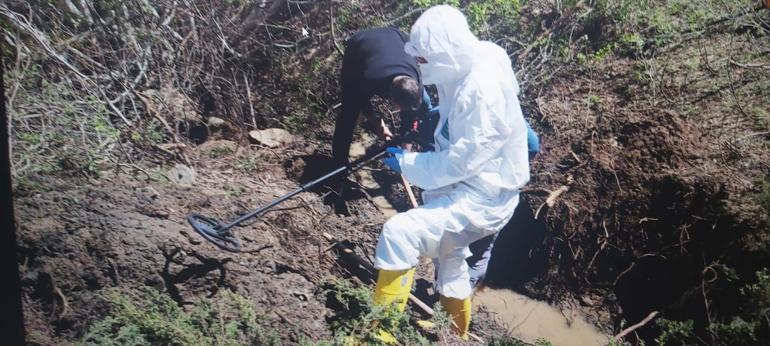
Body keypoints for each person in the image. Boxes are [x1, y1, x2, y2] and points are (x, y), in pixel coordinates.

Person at [373, 5, 530, 340]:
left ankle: (378, 336)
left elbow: (462, 161)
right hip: (475, 181)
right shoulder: (469, 60)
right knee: (451, 255)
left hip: (485, 196)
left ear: (446, 53)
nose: (420, 66)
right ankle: (453, 331)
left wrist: (408, 163)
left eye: (425, 60)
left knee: (399, 233)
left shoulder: (482, 91)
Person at [332, 27, 433, 168]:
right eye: (401, 108)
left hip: (395, 36)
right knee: (349, 110)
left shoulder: (417, 81)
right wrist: (377, 123)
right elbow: (359, 99)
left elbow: (410, 115)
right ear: (392, 99)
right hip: (359, 45)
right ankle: (338, 164)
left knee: (427, 106)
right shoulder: (370, 78)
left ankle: (432, 146)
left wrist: (405, 154)